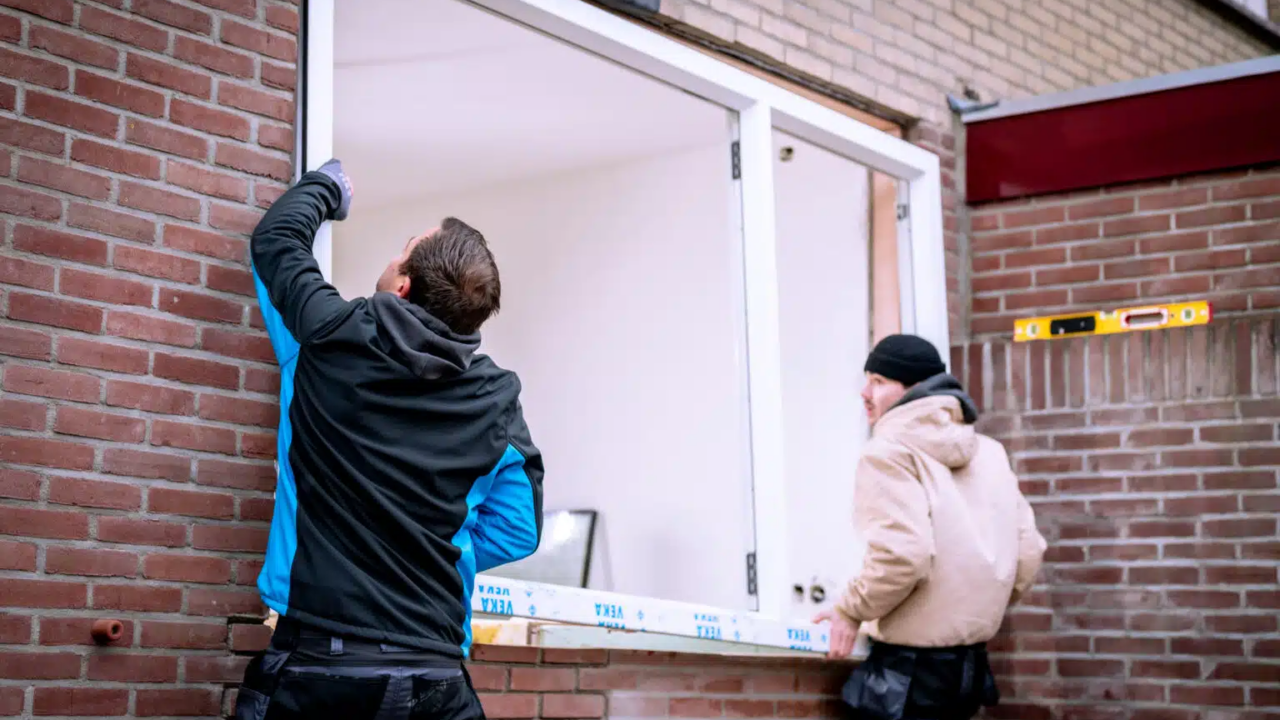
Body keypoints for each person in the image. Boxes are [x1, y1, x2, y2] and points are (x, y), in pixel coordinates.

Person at [234, 159, 544, 720]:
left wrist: (329, 185)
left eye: (402, 248)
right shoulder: (496, 398)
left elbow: (277, 242)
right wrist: (428, 544)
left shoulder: (326, 337)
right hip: (435, 676)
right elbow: (518, 530)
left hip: (319, 667)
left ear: (401, 285)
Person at [812, 334, 1045, 720]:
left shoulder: (888, 454)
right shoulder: (990, 452)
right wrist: (974, 606)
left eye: (879, 381)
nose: (864, 392)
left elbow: (903, 555)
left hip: (906, 678)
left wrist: (850, 610)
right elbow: (1029, 553)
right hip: (969, 671)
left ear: (914, 388)